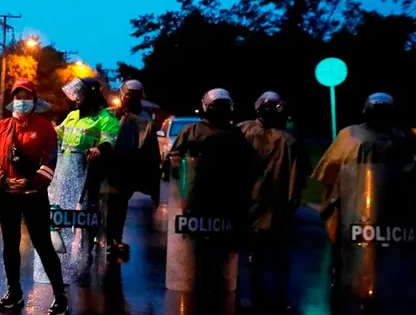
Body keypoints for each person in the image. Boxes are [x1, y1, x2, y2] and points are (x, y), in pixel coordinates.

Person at [312, 93, 415, 290]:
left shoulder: (398, 138)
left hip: (385, 208)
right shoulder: (354, 135)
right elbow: (330, 173)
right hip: (355, 207)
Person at [0, 79, 68, 315]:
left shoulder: (45, 128)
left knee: (43, 245)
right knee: (10, 245)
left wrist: (31, 183)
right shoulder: (1, 128)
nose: (22, 102)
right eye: (18, 97)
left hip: (34, 196)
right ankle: (14, 293)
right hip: (6, 195)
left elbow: (50, 162)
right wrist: (3, 180)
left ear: (34, 100)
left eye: (26, 97)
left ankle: (60, 298)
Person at [238, 92, 311, 293]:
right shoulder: (290, 137)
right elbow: (303, 172)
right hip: (271, 200)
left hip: (259, 199)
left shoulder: (243, 130)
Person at [169, 88, 258, 239]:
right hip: (196, 191)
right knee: (194, 237)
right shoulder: (191, 131)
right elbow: (173, 157)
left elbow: (248, 161)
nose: (219, 111)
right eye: (216, 106)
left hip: (225, 193)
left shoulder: (234, 133)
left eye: (223, 107)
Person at [52, 77, 119, 235]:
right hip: (65, 170)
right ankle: (63, 245)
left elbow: (109, 140)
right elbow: (57, 133)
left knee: (87, 214)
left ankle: (88, 246)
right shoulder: (73, 115)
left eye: (80, 94)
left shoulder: (105, 118)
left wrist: (99, 149)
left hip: (89, 173)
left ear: (90, 95)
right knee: (62, 213)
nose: (76, 99)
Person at [107, 80, 160, 256]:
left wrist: (152, 176)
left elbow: (150, 147)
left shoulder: (144, 118)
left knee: (119, 203)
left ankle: (114, 238)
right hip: (109, 164)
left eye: (134, 95)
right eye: (129, 94)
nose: (130, 98)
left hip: (127, 167)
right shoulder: (111, 114)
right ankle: (104, 237)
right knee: (106, 203)